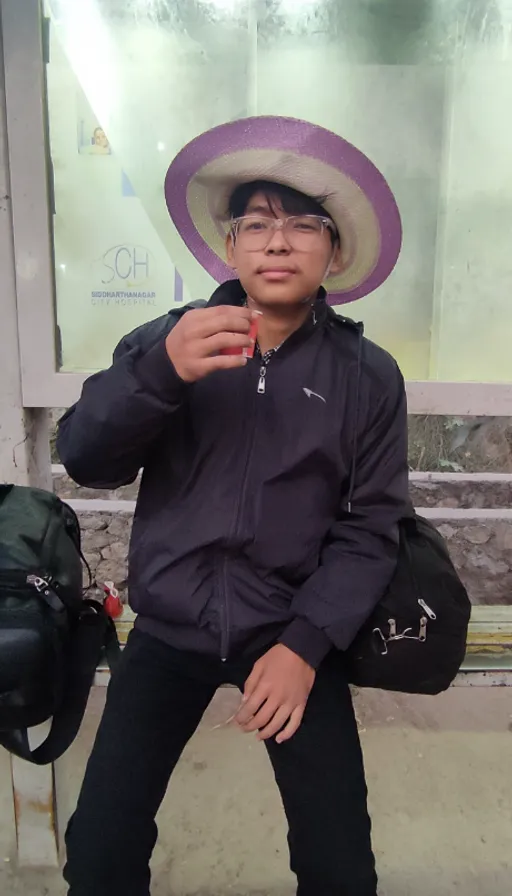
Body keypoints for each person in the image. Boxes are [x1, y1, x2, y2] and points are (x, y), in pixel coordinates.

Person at [58, 115, 409, 896]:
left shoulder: (367, 374)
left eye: (301, 226)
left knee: (340, 862)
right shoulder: (167, 340)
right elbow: (87, 457)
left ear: (334, 251)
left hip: (289, 634)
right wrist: (158, 374)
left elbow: (373, 525)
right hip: (169, 631)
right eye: (256, 224)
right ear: (229, 247)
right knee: (102, 849)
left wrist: (305, 645)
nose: (276, 244)